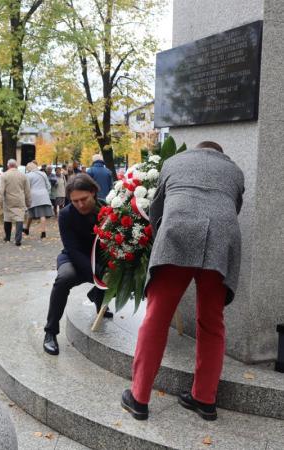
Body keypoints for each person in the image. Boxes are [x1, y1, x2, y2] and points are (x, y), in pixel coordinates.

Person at [121, 141, 245, 422]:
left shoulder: (173, 163)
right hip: (222, 238)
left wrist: (161, 239)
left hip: (177, 231)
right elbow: (233, 208)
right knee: (212, 322)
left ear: (196, 150)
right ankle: (205, 399)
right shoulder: (235, 171)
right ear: (220, 155)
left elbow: (156, 208)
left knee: (157, 317)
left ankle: (139, 398)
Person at [43, 173, 113, 355]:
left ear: (94, 193)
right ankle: (50, 332)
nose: (80, 204)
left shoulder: (106, 208)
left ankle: (99, 301)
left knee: (118, 271)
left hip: (99, 256)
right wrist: (96, 273)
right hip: (73, 257)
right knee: (64, 279)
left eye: (84, 199)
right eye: (75, 201)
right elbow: (72, 249)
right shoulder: (66, 215)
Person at [0, 159, 31, 246]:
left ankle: (7, 237)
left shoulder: (4, 175)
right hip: (20, 200)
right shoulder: (23, 175)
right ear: (16, 166)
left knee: (7, 218)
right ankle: (18, 239)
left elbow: (0, 190)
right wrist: (28, 202)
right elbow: (27, 191)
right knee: (19, 219)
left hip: (8, 200)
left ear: (8, 166)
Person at [24, 161, 53, 239]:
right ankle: (36, 230)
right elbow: (48, 185)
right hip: (44, 196)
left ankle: (30, 229)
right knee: (41, 215)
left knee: (31, 213)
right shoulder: (43, 174)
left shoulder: (28, 175)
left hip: (34, 196)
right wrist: (47, 194)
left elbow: (27, 188)